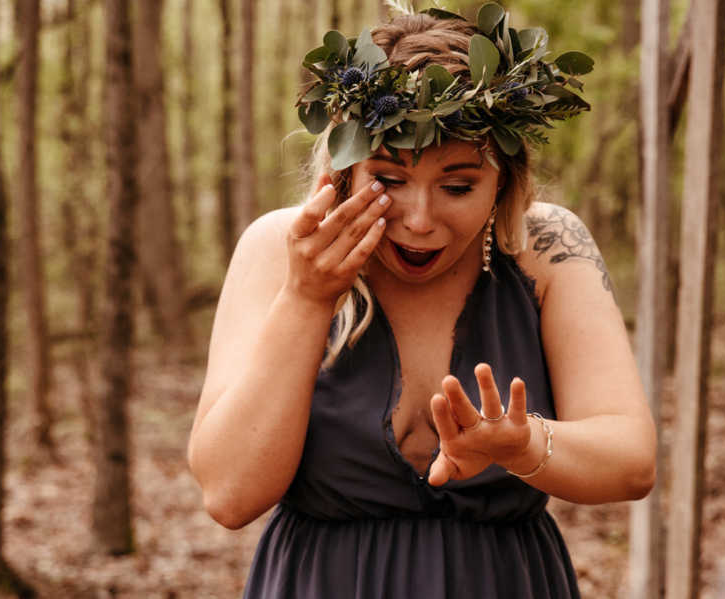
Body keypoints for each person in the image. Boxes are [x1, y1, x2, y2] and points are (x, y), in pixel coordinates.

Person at [188, 5, 656, 598]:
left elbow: (632, 461)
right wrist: (308, 299)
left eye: (458, 186)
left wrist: (523, 444)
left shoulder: (547, 249)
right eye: (387, 180)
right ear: (344, 174)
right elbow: (229, 496)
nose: (419, 220)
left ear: (503, 183)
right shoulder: (277, 250)